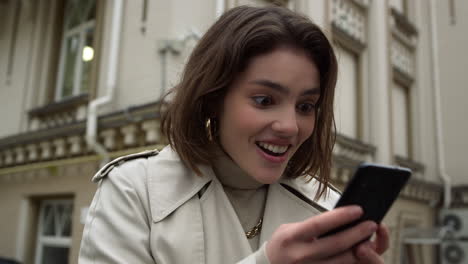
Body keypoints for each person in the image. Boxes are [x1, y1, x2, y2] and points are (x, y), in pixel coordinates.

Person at [79, 5, 389, 264]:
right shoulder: (133, 192)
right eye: (264, 100)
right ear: (214, 98)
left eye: (306, 105)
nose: (290, 126)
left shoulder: (331, 210)